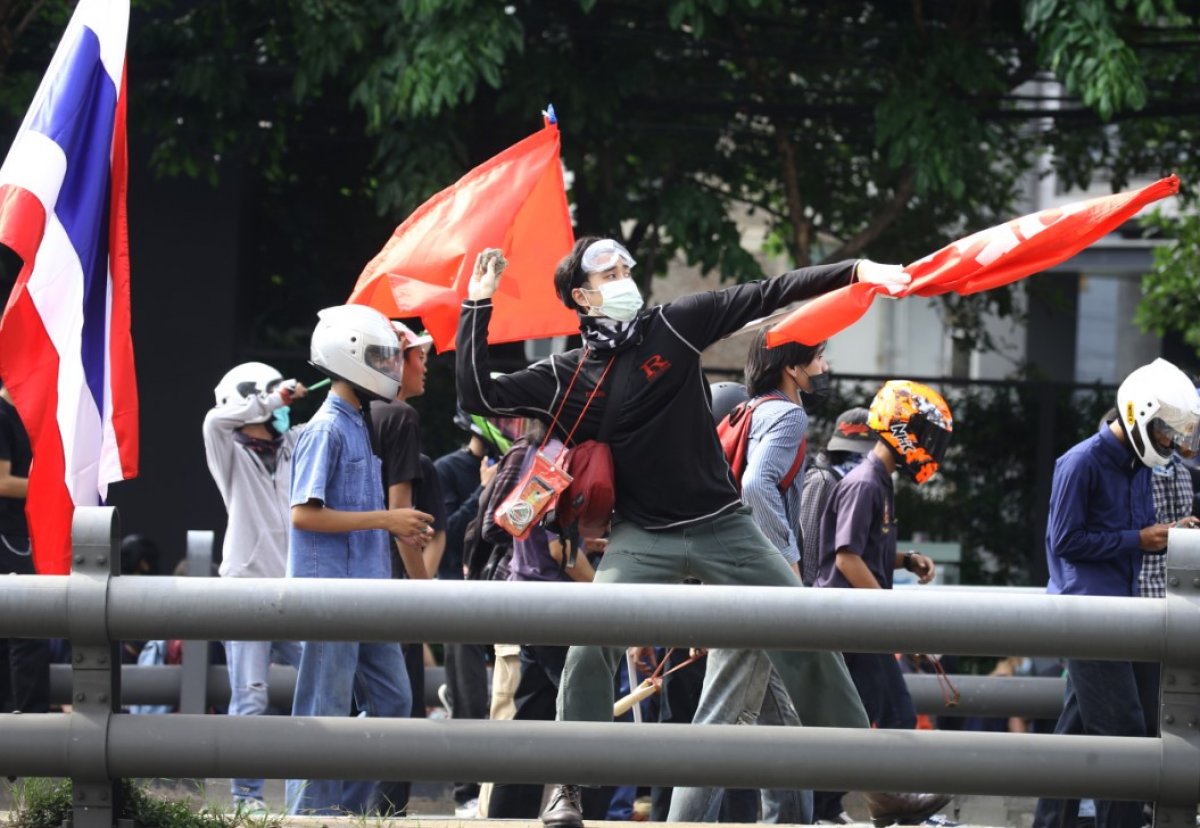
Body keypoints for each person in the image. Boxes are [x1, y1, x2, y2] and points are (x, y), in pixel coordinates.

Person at [457, 238, 910, 828]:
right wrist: (477, 304)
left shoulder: (675, 326)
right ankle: (567, 785)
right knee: (588, 645)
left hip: (725, 524)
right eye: (609, 271)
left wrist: (857, 269)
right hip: (643, 534)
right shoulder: (564, 376)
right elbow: (476, 394)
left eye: (627, 268)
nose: (625, 277)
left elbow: (767, 293)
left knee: (807, 631)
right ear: (581, 296)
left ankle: (876, 788)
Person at [668, 330, 833, 825]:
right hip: (760, 587)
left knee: (782, 722)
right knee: (720, 720)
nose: (824, 367)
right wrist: (786, 564)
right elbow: (755, 484)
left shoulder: (746, 412)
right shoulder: (787, 414)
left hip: (730, 577)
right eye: (819, 357)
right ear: (792, 366)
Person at [1033, 358, 1200, 828]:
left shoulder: (1138, 465)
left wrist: (1164, 533)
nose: (1171, 442)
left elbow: (1135, 533)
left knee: (1085, 730)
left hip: (1125, 612)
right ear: (1139, 415)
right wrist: (1140, 539)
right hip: (1088, 615)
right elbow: (1063, 541)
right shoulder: (1080, 461)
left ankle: (1051, 823)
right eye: (1166, 431)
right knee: (1126, 731)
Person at [286, 305, 434, 816]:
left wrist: (388, 523)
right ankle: (312, 816)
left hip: (365, 594)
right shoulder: (325, 428)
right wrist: (386, 520)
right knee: (323, 710)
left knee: (395, 701)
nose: (390, 367)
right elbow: (303, 516)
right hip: (330, 596)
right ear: (347, 356)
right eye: (379, 357)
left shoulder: (358, 423)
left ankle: (345, 810)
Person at [811, 380, 954, 826]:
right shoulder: (864, 483)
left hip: (863, 622)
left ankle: (880, 803)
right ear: (900, 430)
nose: (931, 448)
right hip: (849, 623)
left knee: (886, 712)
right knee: (872, 715)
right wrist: (892, 617)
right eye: (926, 436)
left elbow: (866, 551)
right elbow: (846, 557)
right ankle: (844, 807)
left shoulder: (880, 482)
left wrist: (906, 559)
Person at [203, 361, 307, 812]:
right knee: (251, 696)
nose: (281, 404)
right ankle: (247, 798)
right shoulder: (227, 448)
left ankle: (314, 792)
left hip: (295, 589)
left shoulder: (294, 445)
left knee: (325, 685)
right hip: (245, 589)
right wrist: (270, 399)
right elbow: (213, 419)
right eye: (269, 397)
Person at [433, 408, 512, 817]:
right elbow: (445, 535)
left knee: (505, 696)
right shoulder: (447, 469)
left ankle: (494, 787)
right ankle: (466, 791)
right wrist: (482, 490)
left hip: (499, 590)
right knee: (471, 698)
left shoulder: (516, 464)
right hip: (458, 595)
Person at [0, 381, 49, 717]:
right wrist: (51, 487)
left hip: (21, 532)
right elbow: (2, 481)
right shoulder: (2, 416)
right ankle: (29, 720)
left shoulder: (23, 416)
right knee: (26, 626)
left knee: (24, 629)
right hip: (9, 534)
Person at [798, 407, 875, 587]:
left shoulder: (859, 484)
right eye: (853, 452)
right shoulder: (823, 481)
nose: (859, 458)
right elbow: (807, 548)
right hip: (820, 598)